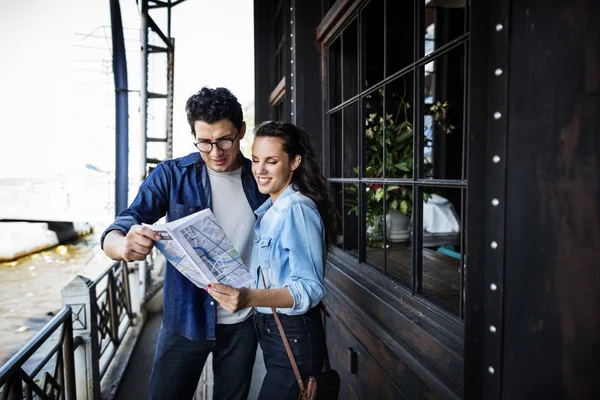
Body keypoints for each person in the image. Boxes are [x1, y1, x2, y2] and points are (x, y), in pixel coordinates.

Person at [101, 87, 267, 400]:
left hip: (243, 321)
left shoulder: (260, 179)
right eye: (204, 142)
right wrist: (122, 246)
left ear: (242, 130)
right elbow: (121, 224)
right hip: (185, 319)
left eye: (225, 140)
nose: (215, 152)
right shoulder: (171, 175)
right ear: (194, 135)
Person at [207, 121, 340, 400]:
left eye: (271, 161)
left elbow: (309, 288)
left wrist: (249, 298)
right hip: (275, 333)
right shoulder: (270, 209)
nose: (259, 170)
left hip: (294, 335)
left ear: (294, 162)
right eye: (255, 160)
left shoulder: (296, 210)